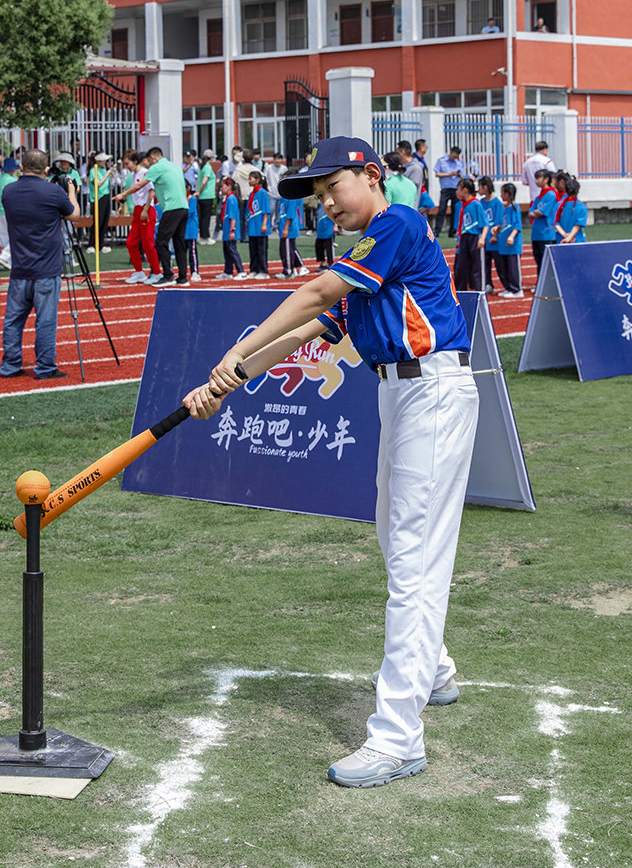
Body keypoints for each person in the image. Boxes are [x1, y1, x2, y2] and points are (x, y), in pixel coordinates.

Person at [181, 136, 477, 789]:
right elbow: (311, 330)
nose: (326, 206)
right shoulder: (370, 253)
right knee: (400, 546)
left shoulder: (395, 222)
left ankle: (398, 738)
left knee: (413, 562)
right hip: (404, 397)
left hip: (432, 390)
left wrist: (235, 358)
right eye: (317, 199)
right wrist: (226, 382)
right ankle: (435, 671)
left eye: (332, 189)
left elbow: (314, 295)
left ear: (370, 175)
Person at [0, 149, 74, 380]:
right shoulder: (53, 192)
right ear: (47, 169)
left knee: (13, 320)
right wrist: (70, 190)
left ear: (21, 167)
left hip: (20, 269)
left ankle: (10, 365)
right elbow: (74, 215)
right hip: (47, 270)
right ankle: (45, 366)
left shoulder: (9, 191)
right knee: (46, 321)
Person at [118, 145, 189, 287]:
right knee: (179, 243)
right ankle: (182, 277)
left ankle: (167, 275)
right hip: (183, 207)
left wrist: (123, 195)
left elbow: (141, 186)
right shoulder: (174, 166)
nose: (147, 164)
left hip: (171, 208)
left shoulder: (156, 168)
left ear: (153, 158)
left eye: (148, 161)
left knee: (161, 242)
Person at [116, 150, 161, 284]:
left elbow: (151, 192)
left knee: (148, 243)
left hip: (146, 210)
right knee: (131, 242)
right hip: (137, 210)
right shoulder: (134, 174)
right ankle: (139, 271)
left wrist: (146, 209)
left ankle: (157, 272)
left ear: (135, 161)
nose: (126, 166)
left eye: (127, 163)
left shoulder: (145, 173)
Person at [451, 179, 484, 293]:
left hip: (474, 237)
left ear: (464, 190)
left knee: (476, 266)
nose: (457, 192)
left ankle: (478, 289)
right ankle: (460, 290)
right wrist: (459, 239)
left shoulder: (476, 204)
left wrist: (482, 239)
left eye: (458, 189)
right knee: (461, 265)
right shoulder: (463, 205)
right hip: (465, 238)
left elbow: (484, 224)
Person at [491, 182, 524, 296]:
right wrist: (497, 229)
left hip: (512, 245)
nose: (501, 195)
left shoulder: (515, 208)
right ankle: (509, 288)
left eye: (503, 193)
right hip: (503, 244)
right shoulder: (505, 209)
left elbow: (517, 225)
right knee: (504, 268)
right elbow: (505, 224)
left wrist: (511, 236)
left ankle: (517, 289)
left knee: (513, 268)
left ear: (508, 194)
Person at [528, 169, 558, 272]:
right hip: (536, 233)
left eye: (538, 178)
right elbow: (531, 212)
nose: (536, 181)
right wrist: (535, 213)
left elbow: (541, 212)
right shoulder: (538, 196)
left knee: (546, 262)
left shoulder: (551, 195)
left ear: (546, 179)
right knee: (539, 261)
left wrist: (535, 213)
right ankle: (540, 285)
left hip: (546, 232)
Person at [277, 178, 306, 278]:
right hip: (284, 226)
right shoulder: (283, 197)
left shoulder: (291, 197)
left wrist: (285, 228)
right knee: (288, 249)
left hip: (289, 228)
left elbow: (290, 214)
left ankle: (288, 270)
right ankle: (295, 268)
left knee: (287, 250)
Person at [245, 174, 272, 278]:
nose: (249, 181)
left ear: (258, 180)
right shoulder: (252, 194)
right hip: (252, 226)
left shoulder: (263, 193)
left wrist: (264, 223)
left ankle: (263, 271)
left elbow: (266, 210)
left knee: (261, 250)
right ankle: (254, 269)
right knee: (253, 250)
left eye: (250, 178)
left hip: (260, 226)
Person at [434, 147, 464, 236]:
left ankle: (452, 231)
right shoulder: (442, 161)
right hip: (445, 189)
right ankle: (437, 231)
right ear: (450, 152)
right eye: (453, 156)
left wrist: (458, 174)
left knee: (455, 211)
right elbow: (437, 174)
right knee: (442, 209)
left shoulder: (458, 163)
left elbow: (463, 177)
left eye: (456, 157)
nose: (454, 158)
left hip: (455, 189)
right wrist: (449, 174)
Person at [219, 181, 246, 278]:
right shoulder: (228, 198)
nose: (221, 189)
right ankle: (228, 271)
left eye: (223, 186)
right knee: (227, 251)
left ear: (229, 186)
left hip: (230, 230)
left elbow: (232, 216)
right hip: (227, 230)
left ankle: (241, 271)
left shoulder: (231, 198)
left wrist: (232, 230)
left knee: (232, 251)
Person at [89, 153, 114, 251]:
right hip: (98, 197)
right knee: (97, 221)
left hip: (106, 196)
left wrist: (110, 174)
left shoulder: (104, 170)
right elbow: (98, 183)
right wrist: (107, 174)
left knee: (104, 221)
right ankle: (92, 244)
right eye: (104, 160)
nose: (106, 162)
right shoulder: (93, 170)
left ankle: (100, 245)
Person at [553, 177, 588, 245]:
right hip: (577, 240)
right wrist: (569, 237)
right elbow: (578, 225)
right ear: (578, 191)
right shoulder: (582, 206)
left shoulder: (558, 205)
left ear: (565, 190)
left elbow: (555, 222)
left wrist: (565, 235)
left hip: (560, 240)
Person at [196, 153, 219, 245]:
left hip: (202, 196)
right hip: (207, 195)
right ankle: (205, 237)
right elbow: (204, 181)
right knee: (206, 217)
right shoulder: (207, 167)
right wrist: (200, 191)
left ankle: (203, 236)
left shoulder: (201, 167)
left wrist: (198, 192)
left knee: (202, 217)